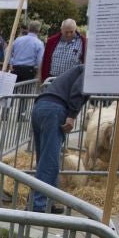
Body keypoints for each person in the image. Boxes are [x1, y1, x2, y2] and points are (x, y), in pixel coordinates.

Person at [29, 64, 89, 214]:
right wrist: (72, 115)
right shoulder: (92, 69)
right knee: (50, 161)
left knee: (46, 158)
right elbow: (77, 90)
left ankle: (48, 200)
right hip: (54, 110)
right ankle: (38, 205)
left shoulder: (81, 69)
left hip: (41, 106)